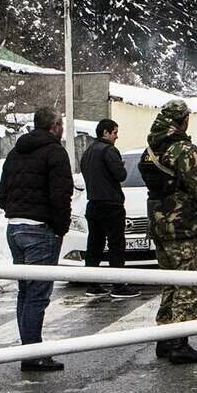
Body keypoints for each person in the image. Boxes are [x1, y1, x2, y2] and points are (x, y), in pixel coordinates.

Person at [0, 106, 73, 372]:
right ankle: (33, 353)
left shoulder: (15, 152)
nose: (62, 128)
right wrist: (60, 227)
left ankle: (29, 347)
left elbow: (1, 194)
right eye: (61, 124)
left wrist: (15, 211)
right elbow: (61, 195)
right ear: (54, 127)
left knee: (25, 291)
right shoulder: (55, 152)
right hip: (40, 230)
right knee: (38, 294)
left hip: (15, 228)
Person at [140, 100, 197, 365]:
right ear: (183, 120)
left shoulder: (151, 149)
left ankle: (165, 336)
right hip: (183, 226)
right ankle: (179, 342)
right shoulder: (183, 149)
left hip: (160, 226)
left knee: (171, 283)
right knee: (190, 283)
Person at [79, 119, 129, 293]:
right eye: (114, 132)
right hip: (111, 205)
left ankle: (92, 283)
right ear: (105, 133)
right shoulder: (109, 151)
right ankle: (118, 284)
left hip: (93, 204)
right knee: (116, 245)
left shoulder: (88, 152)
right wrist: (120, 166)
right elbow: (121, 175)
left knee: (95, 244)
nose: (117, 136)